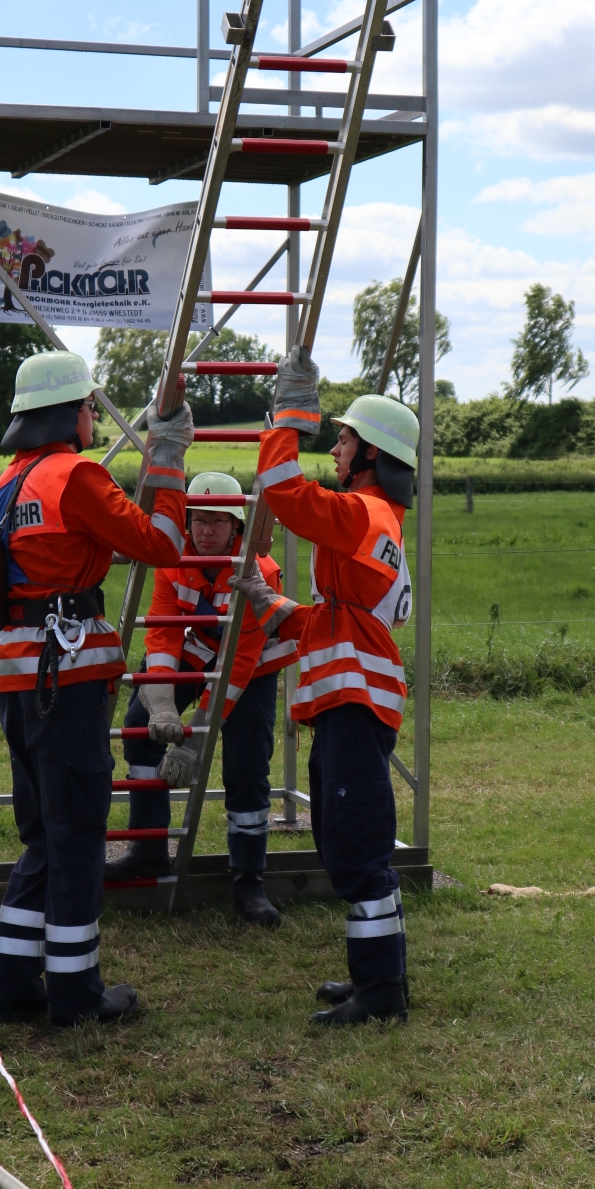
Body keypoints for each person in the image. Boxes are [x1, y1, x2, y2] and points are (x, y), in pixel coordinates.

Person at [0, 351, 193, 1027]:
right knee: (75, 836)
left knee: (44, 835)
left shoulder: (8, 484)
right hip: (66, 682)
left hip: (19, 673)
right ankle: (76, 993)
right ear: (70, 413)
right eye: (90, 406)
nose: (94, 416)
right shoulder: (76, 475)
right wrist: (169, 458)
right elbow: (162, 543)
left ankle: (15, 986)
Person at [235, 348, 418, 1025]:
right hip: (355, 701)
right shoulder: (377, 520)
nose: (334, 449)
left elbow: (284, 491)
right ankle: (378, 978)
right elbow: (335, 621)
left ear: (371, 454)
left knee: (358, 847)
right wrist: (271, 606)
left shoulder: (363, 513)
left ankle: (381, 995)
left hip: (354, 703)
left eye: (343, 439)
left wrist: (290, 415)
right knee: (350, 840)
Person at [111, 472, 297, 927]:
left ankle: (248, 880)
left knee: (246, 764)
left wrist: (194, 739)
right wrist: (160, 701)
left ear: (237, 528)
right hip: (198, 646)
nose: (206, 530)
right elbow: (162, 632)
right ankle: (148, 848)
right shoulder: (171, 558)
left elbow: (237, 666)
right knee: (139, 729)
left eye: (217, 521)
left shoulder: (259, 571)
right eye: (198, 520)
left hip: (252, 667)